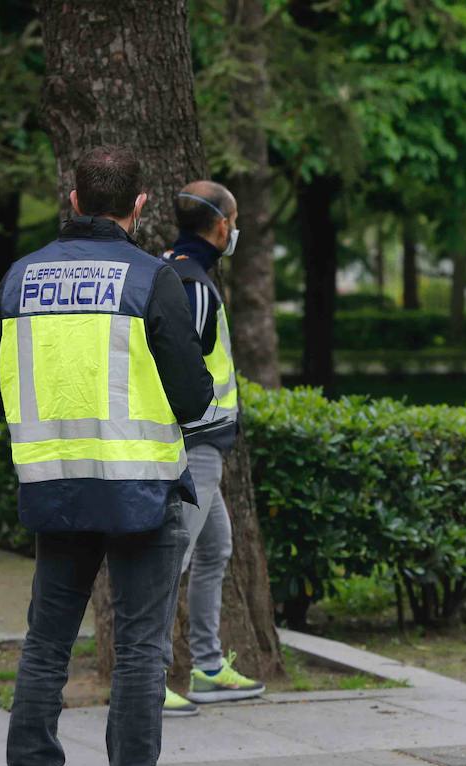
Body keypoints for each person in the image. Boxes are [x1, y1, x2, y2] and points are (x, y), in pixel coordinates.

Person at [0, 146, 211, 766]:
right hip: (139, 491)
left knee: (45, 649)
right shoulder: (150, 279)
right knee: (140, 652)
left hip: (55, 490)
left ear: (73, 200)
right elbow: (195, 397)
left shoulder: (21, 278)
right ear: (138, 206)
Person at [156, 180, 264, 718]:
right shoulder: (192, 283)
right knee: (170, 558)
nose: (235, 229)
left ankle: (206, 665)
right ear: (221, 226)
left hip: (203, 446)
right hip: (195, 445)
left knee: (215, 548)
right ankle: (148, 678)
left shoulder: (171, 267)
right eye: (235, 219)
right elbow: (182, 367)